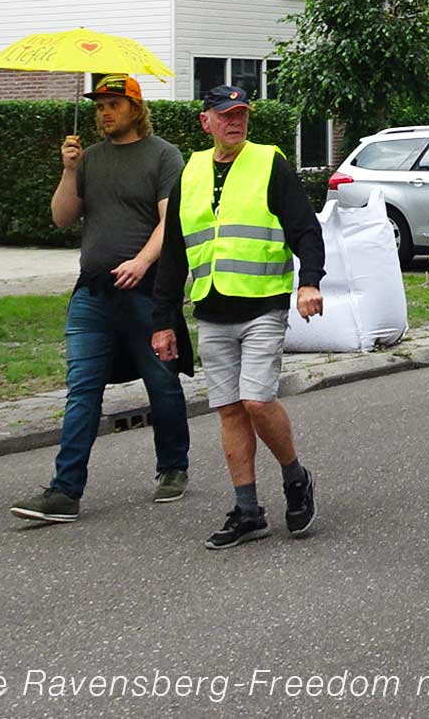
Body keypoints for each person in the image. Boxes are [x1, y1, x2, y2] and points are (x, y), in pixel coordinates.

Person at [150, 85, 324, 552]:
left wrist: (309, 281)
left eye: (242, 114)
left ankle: (295, 477)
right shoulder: (189, 173)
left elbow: (306, 229)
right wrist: (163, 321)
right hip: (212, 308)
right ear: (205, 121)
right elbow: (173, 254)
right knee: (229, 409)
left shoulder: (269, 163)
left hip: (263, 303)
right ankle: (248, 510)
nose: (235, 122)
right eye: (226, 115)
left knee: (256, 401)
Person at [12, 74, 189, 525]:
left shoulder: (164, 156)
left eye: (113, 104)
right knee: (82, 390)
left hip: (146, 291)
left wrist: (142, 262)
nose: (104, 113)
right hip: (92, 292)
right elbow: (61, 217)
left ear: (136, 108)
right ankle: (65, 491)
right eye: (99, 106)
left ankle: (173, 466)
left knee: (162, 382)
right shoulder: (88, 158)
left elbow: (170, 222)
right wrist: (70, 170)